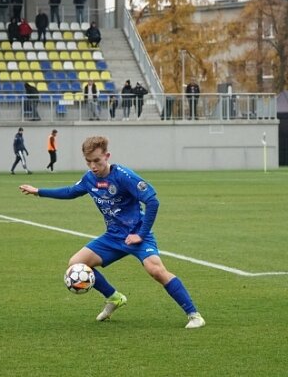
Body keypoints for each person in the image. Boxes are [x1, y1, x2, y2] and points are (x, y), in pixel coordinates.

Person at [18, 135, 206, 329]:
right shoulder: (89, 178)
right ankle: (114, 298)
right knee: (76, 263)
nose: (93, 166)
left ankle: (194, 315)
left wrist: (141, 234)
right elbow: (69, 192)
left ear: (107, 156)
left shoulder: (124, 176)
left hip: (137, 235)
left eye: (97, 161)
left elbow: (152, 201)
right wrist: (38, 191)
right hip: (113, 236)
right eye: (88, 162)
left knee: (156, 271)